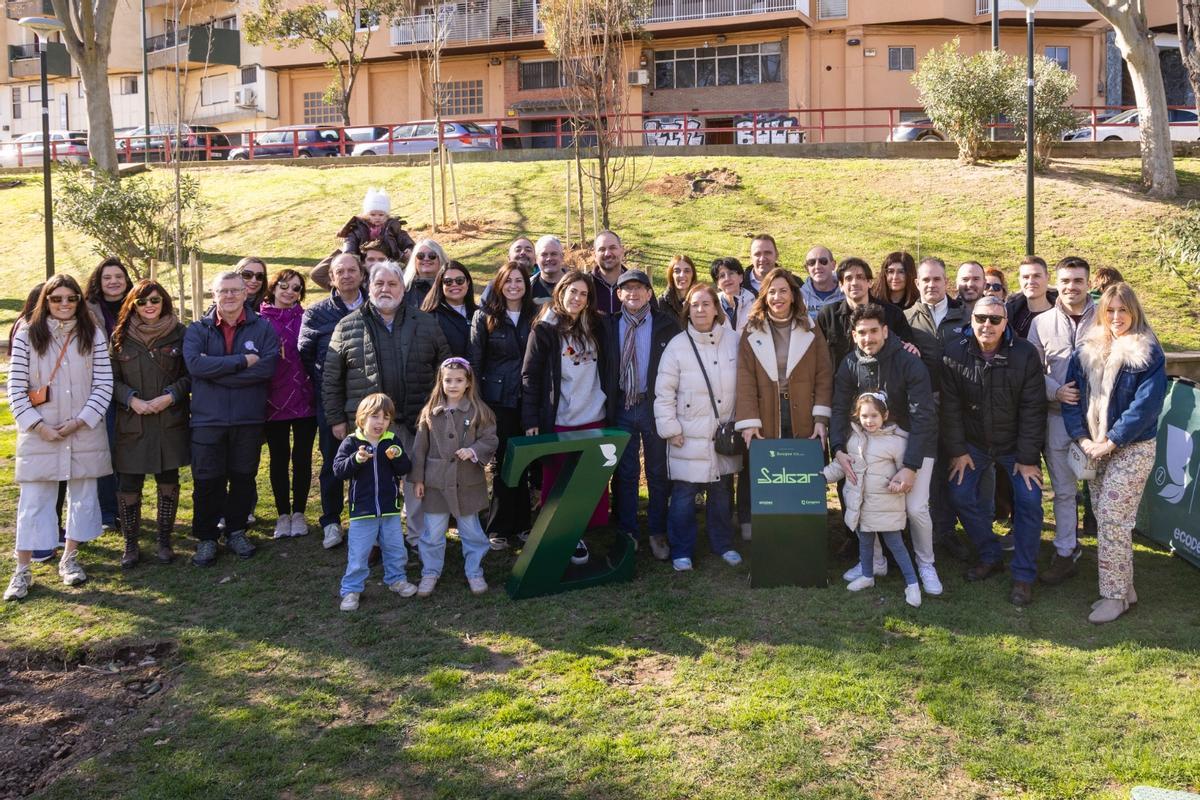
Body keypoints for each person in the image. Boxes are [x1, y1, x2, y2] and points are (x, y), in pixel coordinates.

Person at [323, 260, 451, 551]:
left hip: (415, 417)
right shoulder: (348, 325)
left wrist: (441, 410)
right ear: (369, 287)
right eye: (379, 283)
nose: (385, 289)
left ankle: (416, 538)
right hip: (370, 424)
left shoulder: (426, 323)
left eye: (392, 284)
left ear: (403, 289)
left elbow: (444, 369)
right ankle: (377, 543)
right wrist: (336, 419)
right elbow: (331, 377)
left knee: (415, 478)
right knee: (372, 482)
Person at [1062, 283, 1167, 624]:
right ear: (1101, 313)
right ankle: (1127, 589)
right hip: (1093, 447)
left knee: (1111, 519)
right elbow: (1071, 397)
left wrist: (1112, 441)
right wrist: (1081, 437)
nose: (1117, 317)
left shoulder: (1148, 352)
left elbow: (1145, 407)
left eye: (1123, 310)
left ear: (1134, 311)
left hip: (1132, 447)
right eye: (1110, 311)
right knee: (1110, 520)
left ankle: (1114, 597)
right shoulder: (1087, 350)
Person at [5, 276, 113, 600]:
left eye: (71, 298)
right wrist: (39, 426)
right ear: (46, 300)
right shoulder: (27, 335)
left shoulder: (92, 334)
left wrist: (81, 420)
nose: (64, 304)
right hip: (41, 432)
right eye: (57, 298)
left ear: (79, 301)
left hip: (82, 429)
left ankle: (70, 558)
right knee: (34, 502)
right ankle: (22, 570)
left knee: (81, 496)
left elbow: (103, 383)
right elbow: (16, 389)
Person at [941, 295, 1046, 607]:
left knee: (1029, 501)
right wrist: (959, 451)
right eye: (981, 318)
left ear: (1005, 324)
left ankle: (1024, 575)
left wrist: (1028, 459)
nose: (987, 325)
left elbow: (1033, 409)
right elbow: (950, 409)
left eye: (995, 320)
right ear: (971, 320)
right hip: (974, 443)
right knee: (959, 494)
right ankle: (990, 554)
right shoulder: (953, 352)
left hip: (1016, 446)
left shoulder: (1025, 354)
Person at [831, 304, 942, 596]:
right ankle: (875, 561)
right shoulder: (849, 364)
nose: (868, 338)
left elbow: (923, 416)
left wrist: (910, 466)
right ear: (854, 335)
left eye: (873, 331)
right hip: (872, 445)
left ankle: (925, 563)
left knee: (916, 508)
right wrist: (838, 448)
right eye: (862, 333)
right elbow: (840, 409)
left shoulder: (908, 361)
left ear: (885, 331)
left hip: (914, 442)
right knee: (868, 500)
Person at [184, 271, 280, 567]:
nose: (229, 296)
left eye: (235, 291)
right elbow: (195, 366)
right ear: (214, 295)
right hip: (207, 420)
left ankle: (237, 530)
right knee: (206, 480)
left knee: (243, 477)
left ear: (245, 294)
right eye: (223, 291)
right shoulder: (198, 329)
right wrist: (239, 363)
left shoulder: (262, 328)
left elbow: (266, 368)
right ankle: (207, 538)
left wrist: (218, 375)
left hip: (246, 419)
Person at [734, 268, 834, 538]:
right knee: (767, 472)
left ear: (793, 296)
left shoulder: (811, 328)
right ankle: (766, 528)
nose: (778, 297)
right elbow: (744, 379)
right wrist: (749, 421)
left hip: (803, 412)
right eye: (772, 291)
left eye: (783, 291)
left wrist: (821, 418)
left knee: (801, 472)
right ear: (765, 296)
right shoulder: (751, 331)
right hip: (766, 412)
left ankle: (803, 528)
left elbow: (824, 375)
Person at [521, 270, 610, 565]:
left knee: (590, 482)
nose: (577, 298)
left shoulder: (594, 326)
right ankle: (555, 536)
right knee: (557, 482)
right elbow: (530, 377)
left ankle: (580, 533)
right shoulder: (544, 330)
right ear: (560, 291)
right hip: (560, 419)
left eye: (584, 294)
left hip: (593, 415)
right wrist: (531, 419)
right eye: (573, 291)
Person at [653, 283, 742, 571]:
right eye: (694, 305)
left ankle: (723, 544)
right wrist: (670, 428)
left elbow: (746, 385)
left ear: (717, 309)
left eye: (706, 304)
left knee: (721, 494)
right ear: (687, 310)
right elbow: (664, 392)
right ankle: (682, 550)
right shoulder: (677, 346)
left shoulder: (735, 341)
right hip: (686, 436)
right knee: (683, 497)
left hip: (723, 435)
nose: (700, 309)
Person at [109, 279, 190, 568]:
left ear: (164, 302)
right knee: (129, 482)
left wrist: (170, 396)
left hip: (169, 420)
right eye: (142, 302)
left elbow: (190, 374)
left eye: (155, 300)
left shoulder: (180, 334)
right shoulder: (120, 336)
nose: (149, 306)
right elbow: (111, 379)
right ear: (132, 305)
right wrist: (131, 400)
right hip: (133, 421)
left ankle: (164, 541)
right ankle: (131, 545)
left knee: (168, 481)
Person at [1027, 256, 1096, 586]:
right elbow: (1029, 372)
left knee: (1102, 490)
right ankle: (1066, 551)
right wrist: (1055, 392)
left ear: (1089, 283)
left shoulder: (1106, 317)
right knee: (1065, 491)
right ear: (1058, 283)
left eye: (1078, 281)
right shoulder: (1041, 323)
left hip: (1099, 423)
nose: (1071, 287)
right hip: (1057, 419)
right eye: (1065, 281)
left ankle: (1113, 554)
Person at [603, 269, 679, 560]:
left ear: (649, 293)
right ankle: (628, 531)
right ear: (618, 294)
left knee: (658, 472)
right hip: (621, 405)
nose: (633, 294)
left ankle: (658, 531)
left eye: (639, 288)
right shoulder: (608, 325)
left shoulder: (666, 325)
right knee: (625, 472)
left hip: (652, 405)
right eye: (627, 289)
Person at [823, 392, 922, 608]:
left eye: (874, 416)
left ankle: (912, 584)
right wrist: (823, 477)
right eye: (864, 416)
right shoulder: (853, 439)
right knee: (865, 543)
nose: (869, 421)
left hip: (886, 505)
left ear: (885, 415)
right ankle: (868, 575)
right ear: (858, 416)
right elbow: (843, 465)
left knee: (895, 544)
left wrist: (898, 484)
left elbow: (905, 471)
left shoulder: (896, 442)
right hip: (860, 503)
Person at [904, 257, 972, 563]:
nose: (931, 285)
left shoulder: (967, 317)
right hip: (921, 409)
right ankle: (924, 535)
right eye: (925, 280)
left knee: (953, 470)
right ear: (917, 284)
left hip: (959, 408)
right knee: (926, 473)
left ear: (947, 283)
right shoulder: (905, 319)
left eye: (937, 280)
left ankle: (948, 532)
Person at [412, 358, 499, 597]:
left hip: (466, 482)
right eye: (448, 380)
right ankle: (430, 571)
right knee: (432, 532)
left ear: (468, 382)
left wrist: (473, 451)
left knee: (471, 530)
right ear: (441, 382)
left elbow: (490, 440)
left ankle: (474, 570)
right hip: (436, 483)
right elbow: (419, 449)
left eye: (459, 380)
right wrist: (418, 479)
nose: (453, 385)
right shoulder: (429, 412)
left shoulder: (479, 411)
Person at [299, 252, 368, 549]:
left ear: (362, 275)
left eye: (353, 270)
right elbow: (306, 356)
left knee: (368, 462)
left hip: (370, 402)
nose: (348, 275)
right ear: (332, 278)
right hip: (332, 400)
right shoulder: (316, 313)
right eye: (341, 271)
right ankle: (330, 520)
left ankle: (364, 521)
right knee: (333, 462)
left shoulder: (376, 306)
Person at [468, 261, 535, 549]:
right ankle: (499, 527)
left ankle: (523, 525)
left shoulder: (536, 314)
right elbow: (474, 361)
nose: (514, 286)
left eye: (519, 281)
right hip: (499, 401)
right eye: (508, 281)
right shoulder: (485, 316)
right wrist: (478, 403)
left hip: (529, 399)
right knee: (505, 462)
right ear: (499, 284)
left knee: (527, 462)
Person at [331, 393, 416, 612]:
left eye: (386, 417)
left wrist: (396, 457)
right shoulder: (352, 442)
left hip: (389, 509)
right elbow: (338, 470)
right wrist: (356, 460)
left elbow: (405, 468)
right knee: (359, 553)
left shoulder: (392, 440)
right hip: (362, 510)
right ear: (361, 418)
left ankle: (396, 580)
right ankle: (351, 589)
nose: (380, 422)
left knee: (395, 548)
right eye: (375, 416)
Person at [260, 268, 318, 539]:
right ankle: (283, 514)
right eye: (284, 285)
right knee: (279, 457)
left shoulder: (308, 319)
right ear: (273, 287)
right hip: (274, 398)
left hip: (305, 397)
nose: (289, 292)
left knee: (303, 457)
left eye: (296, 288)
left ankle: (299, 513)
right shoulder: (260, 321)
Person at [84, 256, 131, 531]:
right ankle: (107, 511)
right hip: (101, 387)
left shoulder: (138, 304)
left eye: (118, 276)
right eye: (107, 278)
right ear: (98, 282)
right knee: (106, 448)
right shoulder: (87, 309)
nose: (114, 282)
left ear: (126, 280)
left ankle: (128, 506)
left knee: (128, 449)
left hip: (133, 385)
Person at [817, 257, 915, 371]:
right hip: (840, 384)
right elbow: (818, 356)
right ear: (841, 285)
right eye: (848, 278)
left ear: (869, 282)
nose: (854, 283)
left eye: (860, 277)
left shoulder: (892, 314)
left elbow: (909, 350)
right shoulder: (828, 315)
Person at [312, 188, 416, 290]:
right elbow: (350, 244)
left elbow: (406, 240)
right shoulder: (357, 229)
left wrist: (409, 250)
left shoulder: (394, 228)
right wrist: (345, 255)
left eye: (381, 215)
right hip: (361, 262)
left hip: (390, 261)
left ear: (387, 216)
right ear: (366, 215)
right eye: (373, 214)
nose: (377, 217)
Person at [421, 260, 478, 358]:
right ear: (441, 285)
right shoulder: (431, 317)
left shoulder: (479, 313)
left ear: (468, 282)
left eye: (459, 280)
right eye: (448, 282)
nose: (454, 284)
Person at [1007, 256, 1057, 339]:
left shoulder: (1063, 313)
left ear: (1048, 277)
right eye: (1026, 277)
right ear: (1019, 280)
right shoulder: (1010, 314)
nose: (1030, 281)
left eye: (1036, 276)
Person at [799, 245, 844, 321]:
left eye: (823, 261)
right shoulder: (799, 297)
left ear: (833, 265)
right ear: (807, 268)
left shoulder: (846, 293)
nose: (817, 266)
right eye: (811, 262)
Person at [403, 239, 450, 310]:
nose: (426, 259)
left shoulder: (451, 285)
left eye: (432, 255)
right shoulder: (404, 288)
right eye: (420, 256)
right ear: (415, 260)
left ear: (440, 259)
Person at [711, 257, 755, 332]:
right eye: (722, 276)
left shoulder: (754, 304)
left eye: (731, 273)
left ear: (741, 277)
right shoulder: (712, 305)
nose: (727, 278)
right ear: (717, 284)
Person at [592, 230, 627, 314]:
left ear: (622, 251)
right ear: (595, 255)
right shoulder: (585, 284)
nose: (607, 254)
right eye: (602, 249)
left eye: (612, 248)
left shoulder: (638, 283)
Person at [660, 254, 696, 323]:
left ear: (692, 275)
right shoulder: (662, 303)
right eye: (677, 271)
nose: (682, 275)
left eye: (687, 271)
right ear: (671, 275)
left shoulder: (701, 300)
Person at [532, 235, 566, 304]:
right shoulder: (528, 288)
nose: (549, 258)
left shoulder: (577, 284)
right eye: (544, 254)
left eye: (554, 254)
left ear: (562, 257)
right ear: (536, 259)